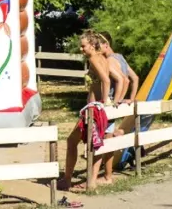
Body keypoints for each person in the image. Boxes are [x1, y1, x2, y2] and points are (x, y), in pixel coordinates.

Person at [58, 31, 123, 191]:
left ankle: (67, 180)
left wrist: (103, 102)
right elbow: (119, 79)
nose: (81, 49)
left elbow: (106, 80)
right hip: (99, 109)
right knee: (97, 144)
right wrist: (112, 101)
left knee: (72, 141)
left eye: (83, 46)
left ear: (93, 45)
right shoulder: (104, 59)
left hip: (94, 110)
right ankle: (91, 181)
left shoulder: (94, 59)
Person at [93, 31, 141, 185]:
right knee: (107, 140)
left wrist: (116, 101)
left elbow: (124, 80)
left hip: (109, 105)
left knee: (102, 141)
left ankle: (103, 177)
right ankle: (106, 175)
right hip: (113, 106)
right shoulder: (120, 57)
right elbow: (135, 78)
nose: (96, 48)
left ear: (106, 45)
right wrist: (131, 98)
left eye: (98, 45)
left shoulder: (110, 60)